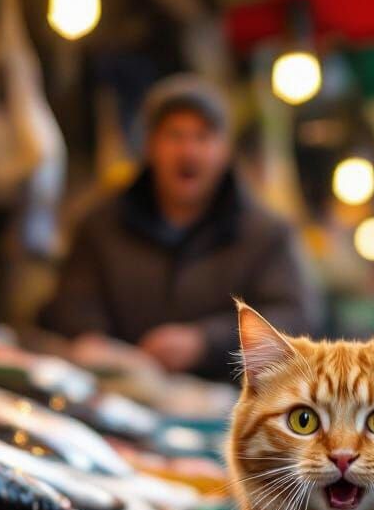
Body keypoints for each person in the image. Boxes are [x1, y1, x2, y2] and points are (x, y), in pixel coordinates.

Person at [41, 74, 322, 381]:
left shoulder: (267, 235)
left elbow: (295, 319)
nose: (188, 151)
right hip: (114, 390)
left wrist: (205, 342)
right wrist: (92, 341)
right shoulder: (100, 226)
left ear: (225, 149)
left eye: (203, 137)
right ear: (150, 145)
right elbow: (69, 307)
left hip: (226, 399)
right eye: (174, 135)